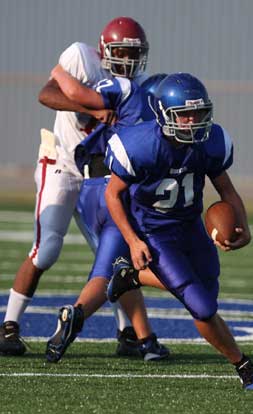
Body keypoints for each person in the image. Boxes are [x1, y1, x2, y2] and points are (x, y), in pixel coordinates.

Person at [0, 16, 154, 357]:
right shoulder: (82, 57)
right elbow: (46, 94)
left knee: (112, 254)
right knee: (48, 247)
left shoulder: (136, 85)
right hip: (60, 163)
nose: (128, 60)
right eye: (122, 51)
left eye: (134, 53)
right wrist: (89, 109)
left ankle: (127, 334)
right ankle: (8, 326)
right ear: (105, 50)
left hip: (96, 174)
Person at [104, 73, 253, 390]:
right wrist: (133, 240)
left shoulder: (210, 142)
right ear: (164, 113)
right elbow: (112, 194)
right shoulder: (141, 145)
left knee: (205, 295)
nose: (193, 121)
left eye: (199, 112)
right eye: (184, 114)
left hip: (191, 227)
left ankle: (132, 277)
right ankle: (244, 367)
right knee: (202, 308)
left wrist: (243, 226)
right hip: (155, 230)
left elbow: (227, 191)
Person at [44, 68, 169, 362]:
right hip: (114, 192)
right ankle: (76, 314)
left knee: (119, 267)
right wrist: (61, 73)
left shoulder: (129, 102)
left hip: (90, 188)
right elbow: (78, 94)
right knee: (110, 271)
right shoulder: (149, 118)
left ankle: (146, 341)